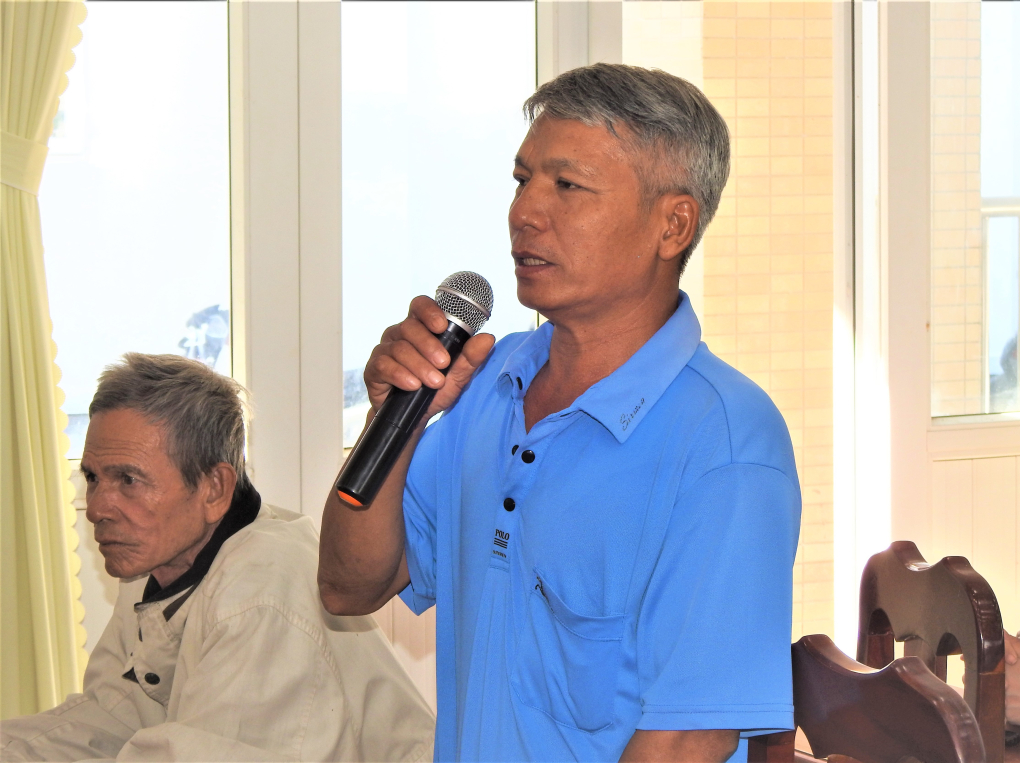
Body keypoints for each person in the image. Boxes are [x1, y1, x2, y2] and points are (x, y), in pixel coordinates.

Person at [318, 64, 801, 763]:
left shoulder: (726, 441)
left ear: (672, 224)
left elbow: (683, 740)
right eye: (522, 180)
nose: (525, 212)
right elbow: (348, 585)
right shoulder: (486, 383)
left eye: (567, 186)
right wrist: (393, 419)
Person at [1, 354, 435, 762]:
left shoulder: (263, 588)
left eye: (128, 480)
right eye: (93, 477)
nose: (97, 508)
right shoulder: (155, 565)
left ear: (214, 489)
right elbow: (112, 717)